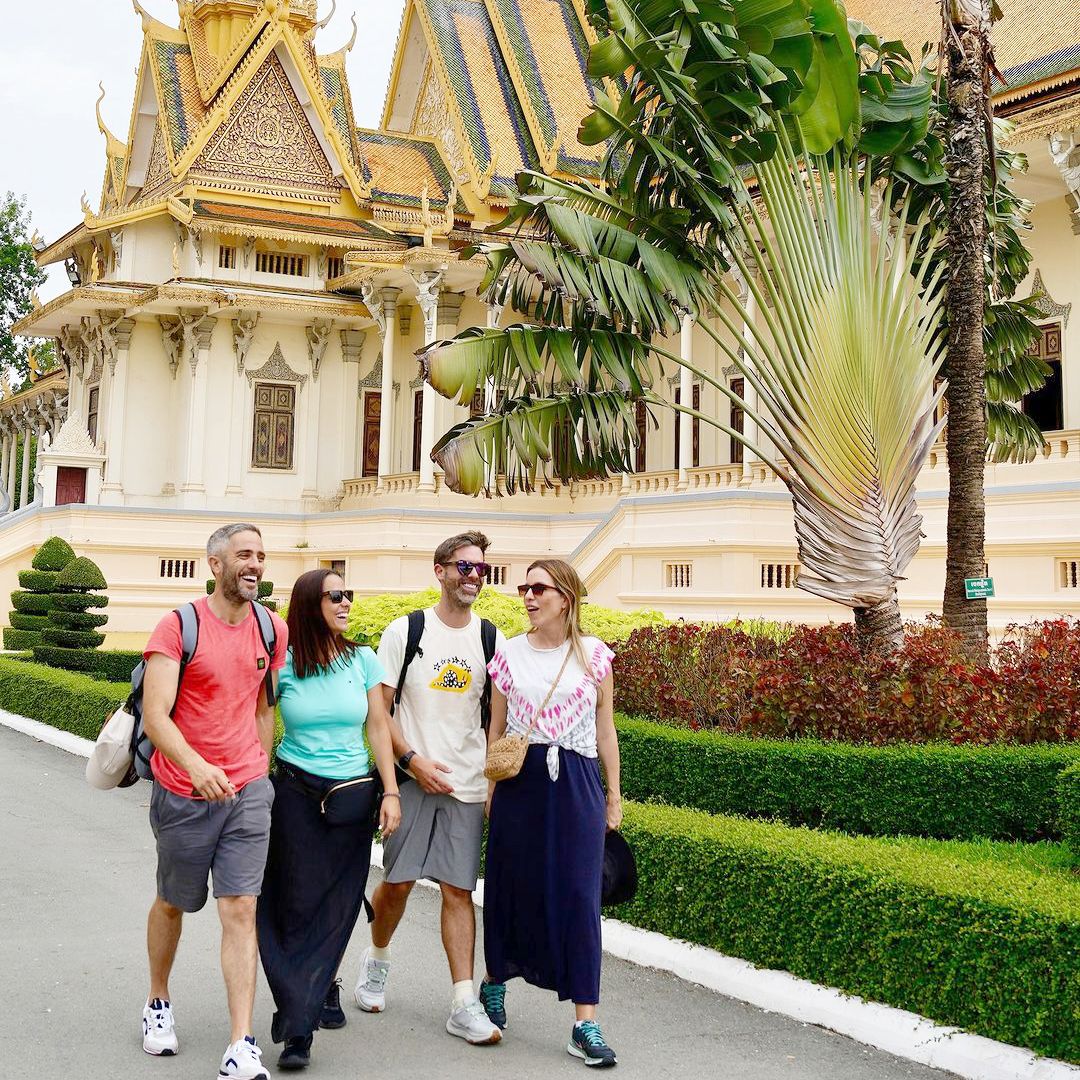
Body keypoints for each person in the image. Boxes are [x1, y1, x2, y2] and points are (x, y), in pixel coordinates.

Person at [140, 523, 288, 1080]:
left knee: (240, 908)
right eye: (243, 555)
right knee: (174, 902)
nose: (254, 564)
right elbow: (156, 717)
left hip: (246, 790)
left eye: (260, 556)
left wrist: (259, 769)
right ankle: (158, 999)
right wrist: (197, 767)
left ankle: (241, 1042)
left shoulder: (273, 629)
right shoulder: (178, 626)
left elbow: (263, 706)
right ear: (214, 564)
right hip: (182, 791)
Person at [354, 531, 505, 1045]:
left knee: (459, 890)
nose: (473, 578)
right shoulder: (407, 630)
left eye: (481, 569)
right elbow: (381, 712)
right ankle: (376, 959)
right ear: (439, 570)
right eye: (464, 567)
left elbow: (496, 722)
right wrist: (411, 765)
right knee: (397, 882)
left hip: (465, 783)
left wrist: (491, 782)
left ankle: (463, 1001)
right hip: (415, 779)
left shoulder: (490, 638)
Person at [479, 559, 623, 1067]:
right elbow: (496, 728)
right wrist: (492, 787)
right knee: (509, 884)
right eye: (525, 588)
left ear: (565, 597)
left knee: (581, 897)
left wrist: (613, 793)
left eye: (538, 588)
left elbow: (606, 731)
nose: (528, 596)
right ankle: (494, 983)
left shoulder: (596, 656)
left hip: (578, 782)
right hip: (521, 781)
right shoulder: (508, 655)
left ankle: (585, 1021)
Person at [256, 569, 401, 1071]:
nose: (345, 602)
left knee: (339, 904)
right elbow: (262, 722)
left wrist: (390, 791)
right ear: (308, 604)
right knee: (291, 904)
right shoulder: (285, 662)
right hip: (293, 795)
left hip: (351, 799)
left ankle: (306, 1010)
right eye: (334, 595)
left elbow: (378, 726)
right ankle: (297, 1011)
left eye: (349, 593)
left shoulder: (362, 658)